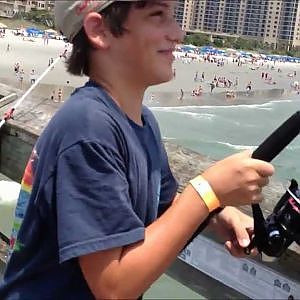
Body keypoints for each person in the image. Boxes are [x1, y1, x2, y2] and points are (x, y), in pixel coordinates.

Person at [0, 1, 274, 299]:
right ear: (99, 30)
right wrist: (209, 191)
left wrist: (218, 214)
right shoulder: (88, 128)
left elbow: (163, 204)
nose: (178, 33)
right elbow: (113, 287)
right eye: (158, 16)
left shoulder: (141, 121)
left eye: (174, 17)